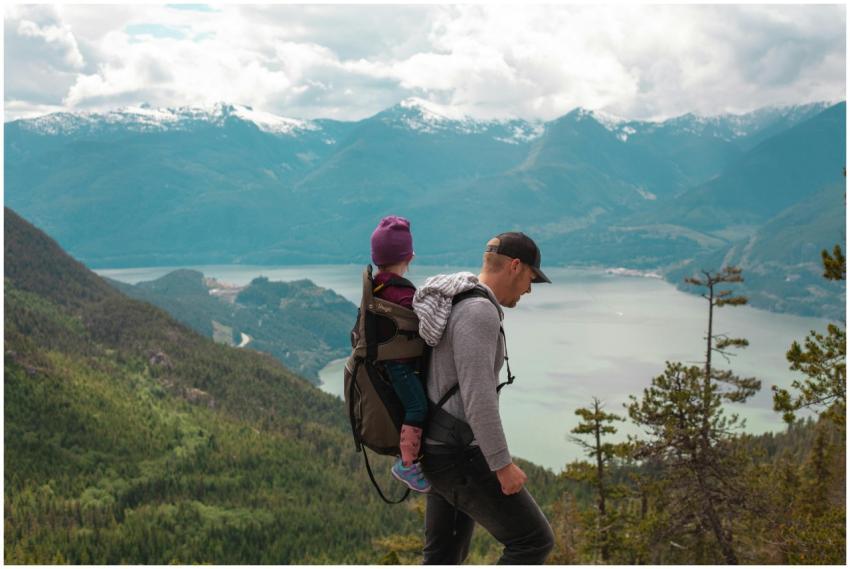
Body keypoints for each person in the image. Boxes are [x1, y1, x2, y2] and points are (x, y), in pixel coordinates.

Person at [412, 232, 555, 564]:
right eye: (531, 279)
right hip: (459, 454)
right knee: (533, 540)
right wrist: (502, 465)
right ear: (515, 267)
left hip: (438, 447)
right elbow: (478, 398)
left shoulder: (457, 299)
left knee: (443, 557)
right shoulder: (479, 312)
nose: (529, 289)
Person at [370, 215, 431, 493]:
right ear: (410, 256)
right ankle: (406, 464)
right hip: (401, 366)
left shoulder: (378, 287)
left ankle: (407, 454)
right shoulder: (402, 295)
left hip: (385, 363)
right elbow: (424, 326)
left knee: (407, 407)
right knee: (418, 407)